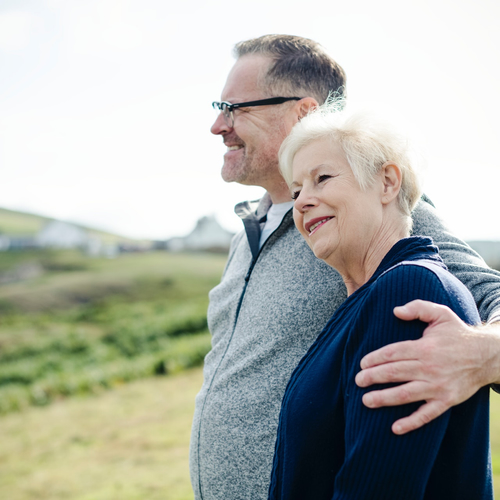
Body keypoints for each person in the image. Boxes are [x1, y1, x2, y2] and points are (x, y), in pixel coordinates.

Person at [190, 34, 500, 500]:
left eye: (235, 108)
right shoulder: (246, 234)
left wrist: (484, 352)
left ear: (304, 113)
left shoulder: (370, 211)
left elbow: (481, 293)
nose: (218, 125)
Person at [268, 102, 492, 499]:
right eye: (298, 189)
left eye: (322, 178)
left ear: (387, 182)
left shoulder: (407, 290)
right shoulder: (365, 302)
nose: (301, 202)